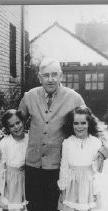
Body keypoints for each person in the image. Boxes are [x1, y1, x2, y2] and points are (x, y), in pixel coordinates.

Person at [18, 57, 86, 211]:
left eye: (54, 74)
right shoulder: (29, 96)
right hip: (32, 167)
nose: (51, 79)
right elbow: (14, 124)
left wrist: (103, 149)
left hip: (58, 169)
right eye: (46, 75)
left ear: (61, 76)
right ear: (39, 77)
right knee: (34, 207)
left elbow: (93, 125)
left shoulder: (74, 98)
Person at [57, 106, 102, 211]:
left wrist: (95, 190)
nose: (79, 127)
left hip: (89, 187)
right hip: (72, 186)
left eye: (83, 123)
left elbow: (96, 170)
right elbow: (64, 167)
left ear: (89, 123)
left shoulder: (95, 142)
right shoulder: (67, 143)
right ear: (71, 124)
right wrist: (63, 188)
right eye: (76, 123)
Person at [0, 109, 28, 211]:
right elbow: (0, 167)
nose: (16, 127)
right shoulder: (5, 143)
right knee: (10, 205)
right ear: (7, 128)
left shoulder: (29, 138)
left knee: (23, 205)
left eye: (18, 123)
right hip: (10, 180)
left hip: (25, 177)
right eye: (11, 126)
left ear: (23, 122)